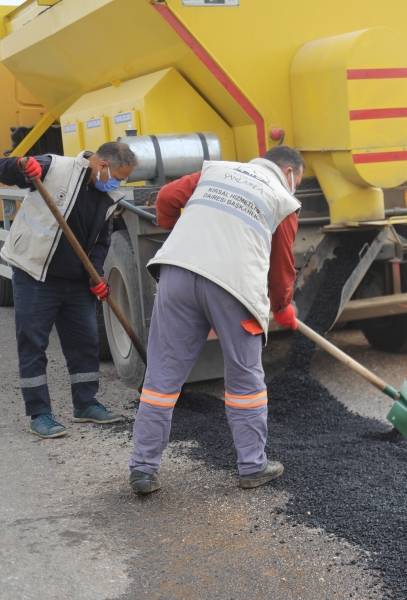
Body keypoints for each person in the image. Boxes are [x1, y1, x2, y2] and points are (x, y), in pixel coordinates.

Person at [128, 145, 303, 495]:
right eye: (297, 181)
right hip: (233, 287)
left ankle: (143, 470)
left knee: (162, 376)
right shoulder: (283, 200)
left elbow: (165, 198)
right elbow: (282, 265)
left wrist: (182, 229)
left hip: (177, 273)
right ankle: (252, 467)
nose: (295, 187)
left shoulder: (215, 171)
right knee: (244, 379)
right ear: (288, 174)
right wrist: (283, 306)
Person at [0, 142, 137, 437]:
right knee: (33, 343)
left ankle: (85, 404)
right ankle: (39, 413)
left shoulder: (108, 196)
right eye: (118, 176)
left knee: (84, 342)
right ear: (101, 165)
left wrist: (95, 274)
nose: (119, 183)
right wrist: (20, 165)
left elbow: (100, 242)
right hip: (36, 273)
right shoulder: (54, 167)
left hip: (76, 281)